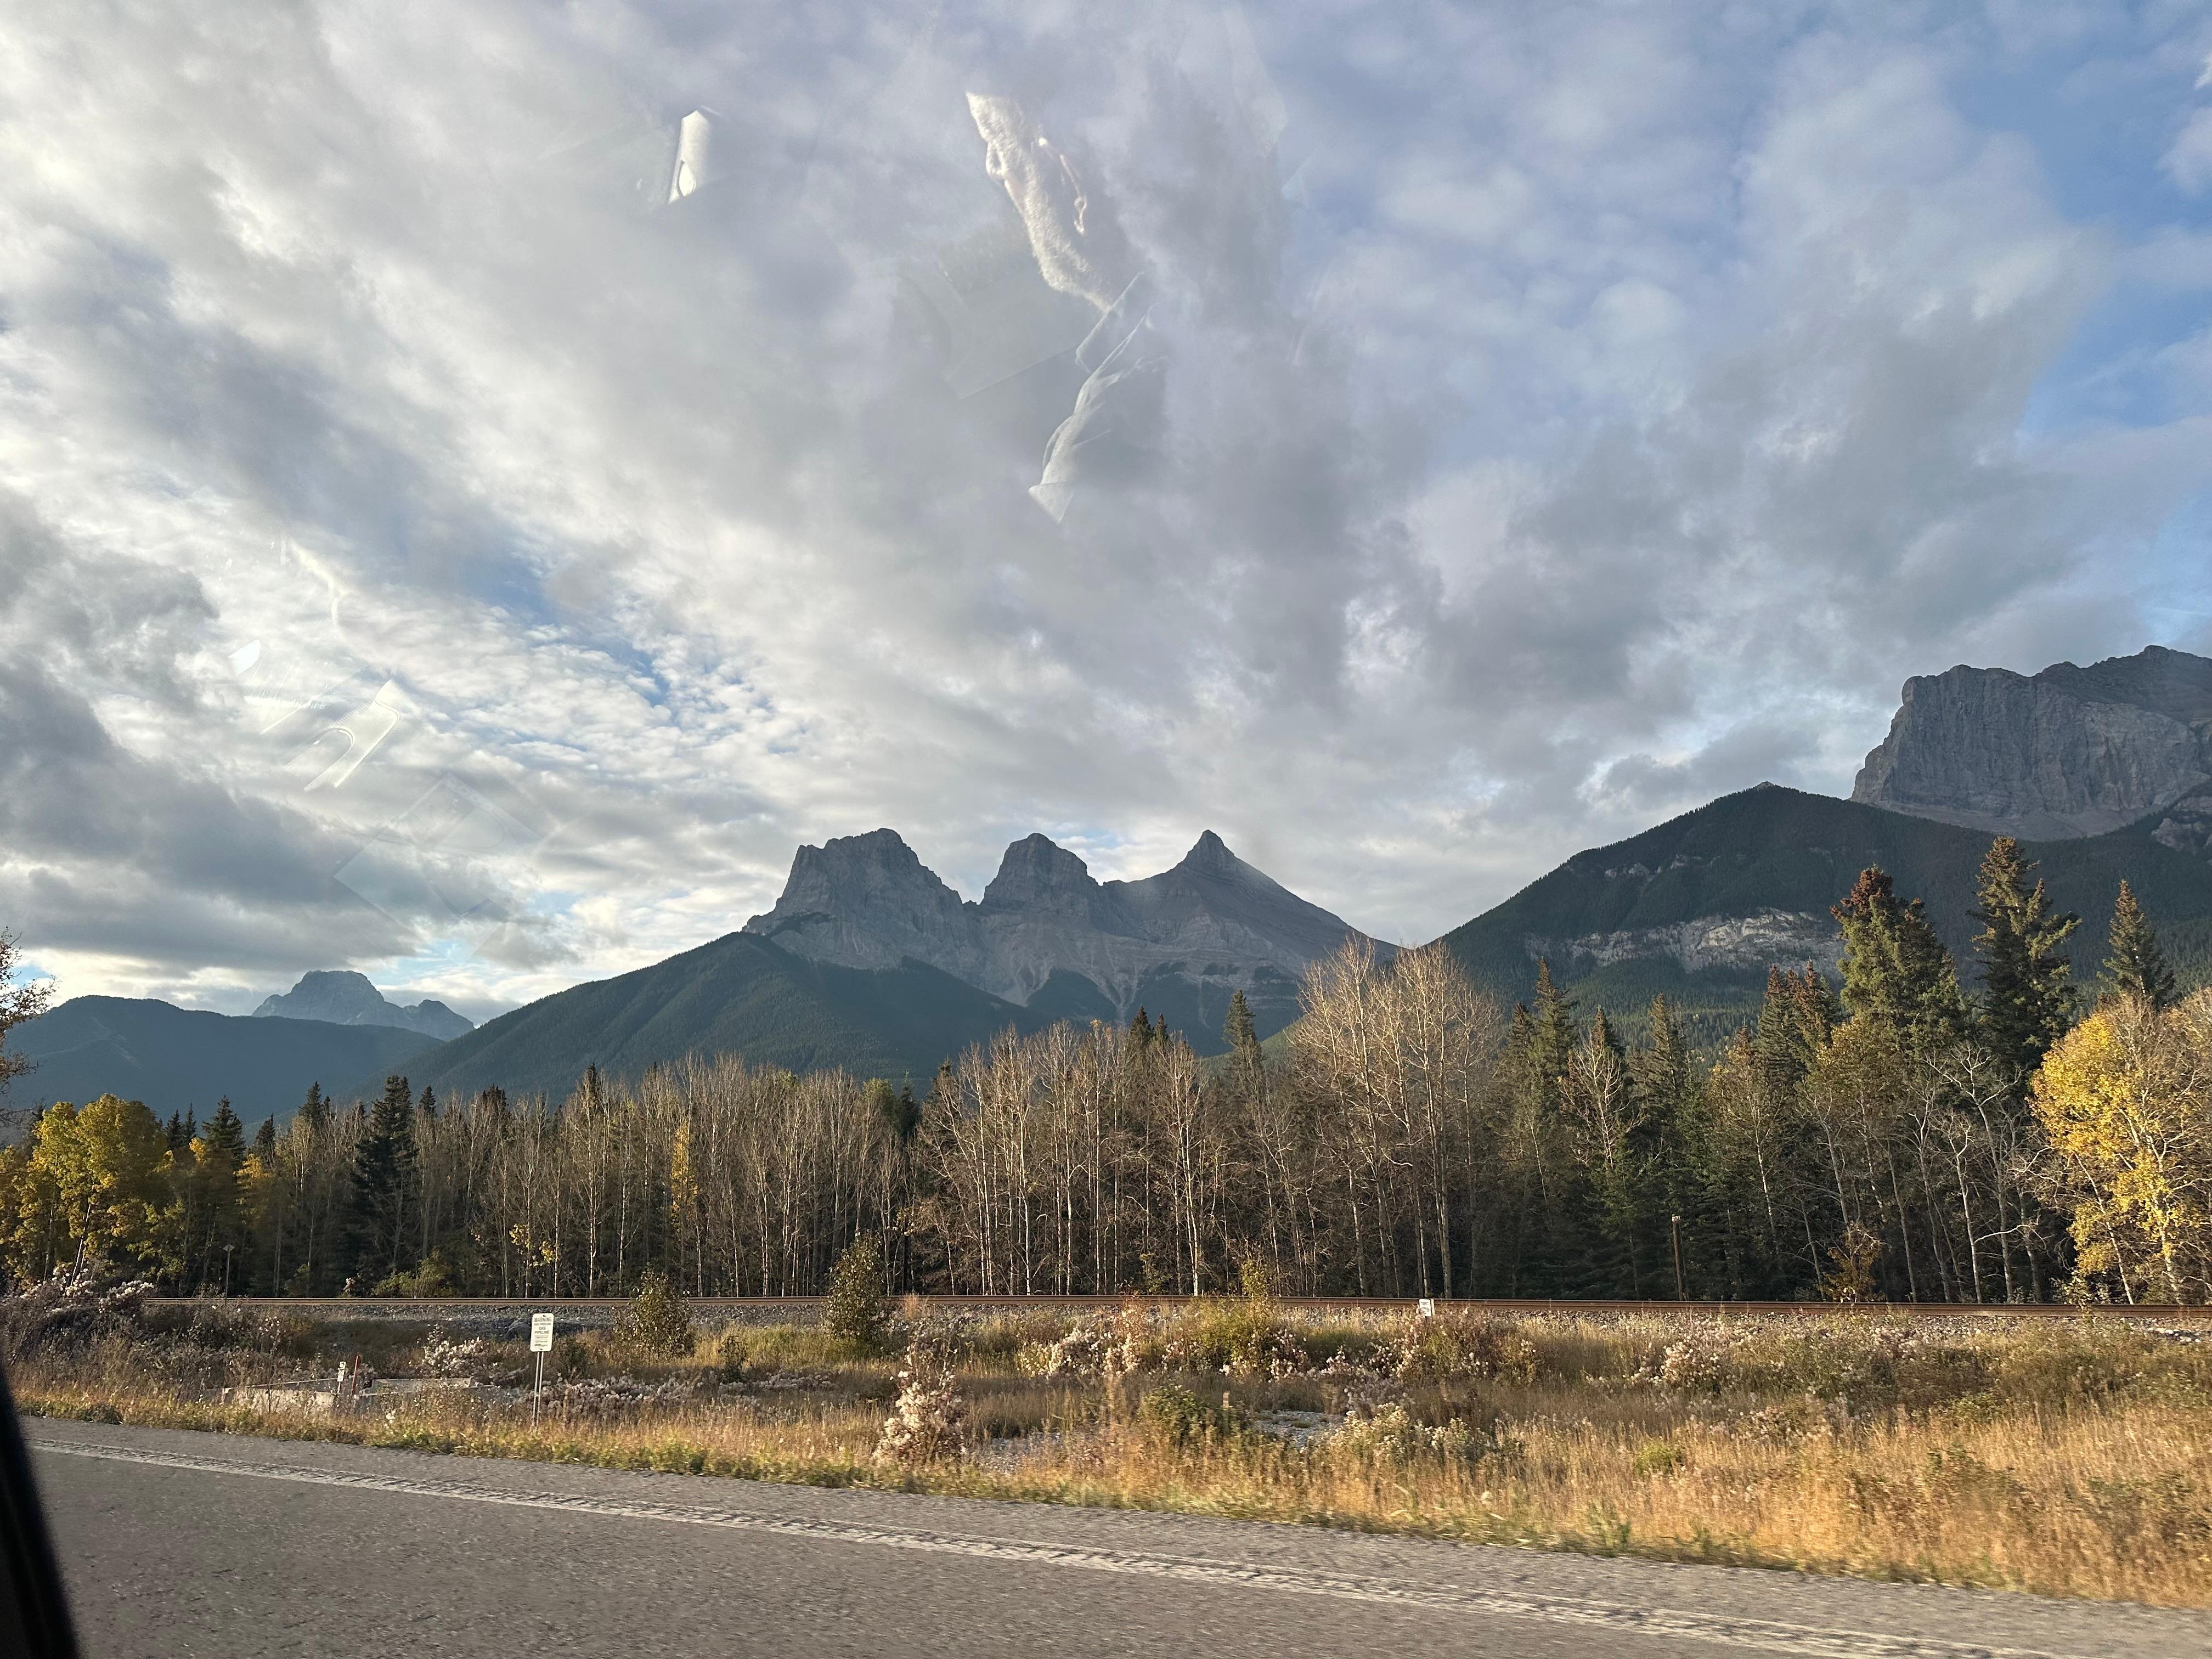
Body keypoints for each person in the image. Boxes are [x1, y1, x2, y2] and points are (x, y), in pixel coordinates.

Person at [966, 90, 1165, 521]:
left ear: (1070, 181)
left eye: (997, 153)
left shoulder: (1107, 435)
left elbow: (1033, 575)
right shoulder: (1232, 324)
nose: (994, 173)